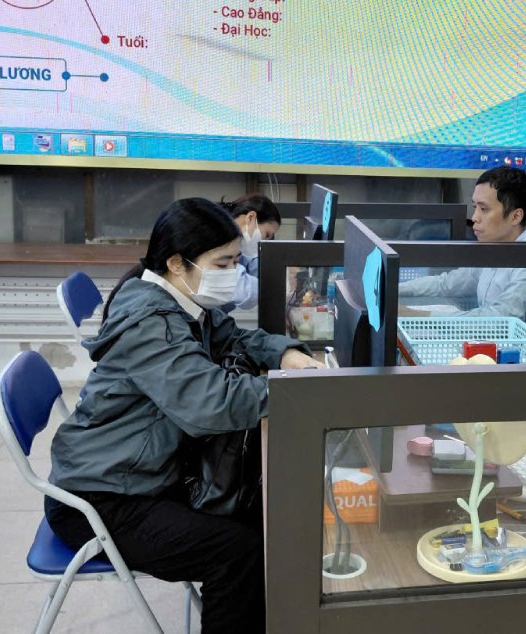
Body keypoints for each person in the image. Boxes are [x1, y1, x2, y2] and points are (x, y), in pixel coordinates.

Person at [45, 198, 322, 632]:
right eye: (223, 263)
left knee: (263, 507)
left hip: (141, 470)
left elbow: (233, 339)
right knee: (237, 553)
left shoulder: (179, 299)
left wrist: (284, 353)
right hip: (101, 496)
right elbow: (211, 403)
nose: (233, 272)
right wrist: (295, 392)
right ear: (177, 263)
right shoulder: (151, 322)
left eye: (235, 261)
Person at [398, 166, 526, 333]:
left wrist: (418, 316)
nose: (474, 217)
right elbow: (446, 284)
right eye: (475, 207)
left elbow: (500, 318)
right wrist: (395, 288)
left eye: (484, 209)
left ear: (515, 216)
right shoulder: (493, 249)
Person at [221, 193, 282, 311]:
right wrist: (278, 286)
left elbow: (254, 268)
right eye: (267, 235)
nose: (264, 242)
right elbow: (245, 294)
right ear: (250, 218)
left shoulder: (241, 248)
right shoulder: (220, 241)